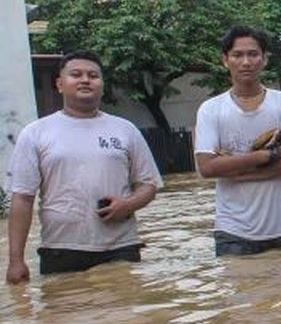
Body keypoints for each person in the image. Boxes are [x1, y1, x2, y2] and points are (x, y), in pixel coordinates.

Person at [5, 50, 163, 282]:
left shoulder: (125, 130)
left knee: (126, 316)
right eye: (76, 74)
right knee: (65, 316)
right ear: (60, 84)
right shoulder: (36, 133)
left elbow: (149, 184)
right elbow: (23, 198)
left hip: (120, 248)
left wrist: (127, 205)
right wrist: (15, 260)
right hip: (61, 249)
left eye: (93, 75)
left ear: (102, 85)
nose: (85, 80)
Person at [194, 26, 281, 256]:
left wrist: (238, 169)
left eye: (253, 54)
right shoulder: (211, 109)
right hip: (233, 231)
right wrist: (262, 157)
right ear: (225, 60)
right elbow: (206, 167)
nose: (246, 62)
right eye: (237, 55)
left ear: (264, 59)